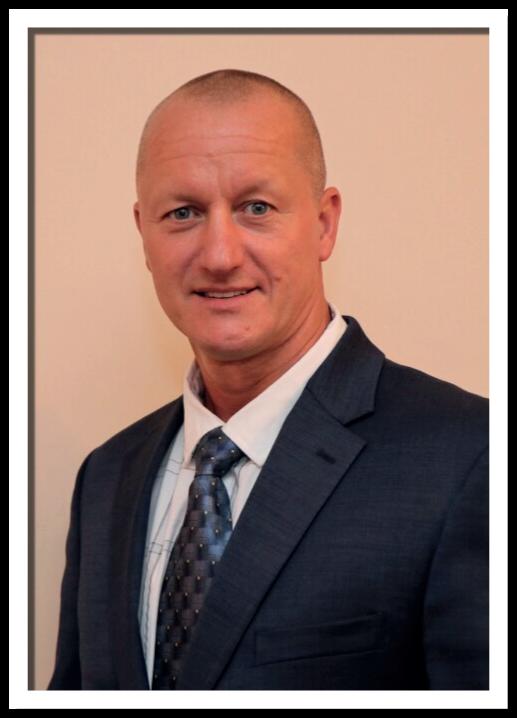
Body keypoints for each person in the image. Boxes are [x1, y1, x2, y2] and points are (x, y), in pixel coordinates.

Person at [48, 69, 488, 691]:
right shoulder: (106, 477)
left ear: (324, 223)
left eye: (256, 208)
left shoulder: (470, 457)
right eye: (183, 213)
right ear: (144, 234)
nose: (220, 255)